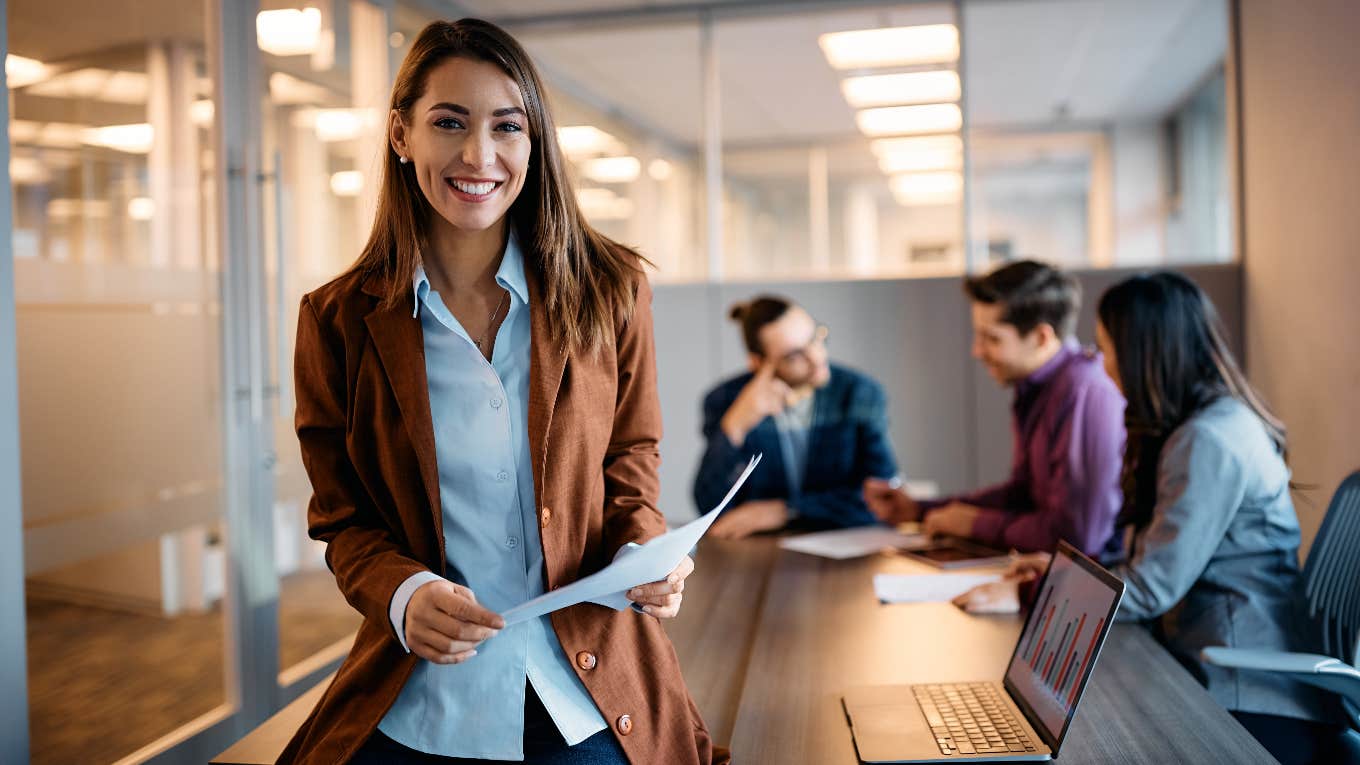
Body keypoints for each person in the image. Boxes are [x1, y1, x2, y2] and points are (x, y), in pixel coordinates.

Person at [281, 19, 725, 765]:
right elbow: (343, 517)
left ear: (533, 141)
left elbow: (630, 462)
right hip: (422, 699)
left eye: (506, 127)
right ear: (401, 134)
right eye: (448, 122)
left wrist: (646, 546)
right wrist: (400, 593)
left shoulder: (611, 290)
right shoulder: (337, 320)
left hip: (583, 686)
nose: (478, 155)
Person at [953, 272, 1349, 765]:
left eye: (1106, 347)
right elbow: (1151, 556)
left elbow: (1151, 586)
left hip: (1247, 688)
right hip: (1208, 659)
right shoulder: (1193, 427)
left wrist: (1033, 593)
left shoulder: (1210, 439)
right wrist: (1056, 574)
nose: (1100, 363)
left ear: (1143, 352)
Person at [863, 260, 1124, 558]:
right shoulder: (1036, 387)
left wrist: (976, 525)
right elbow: (1023, 495)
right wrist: (921, 510)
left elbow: (1079, 537)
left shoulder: (1084, 393)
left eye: (992, 338)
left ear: (1041, 337)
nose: (977, 350)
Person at [693, 296, 898, 539]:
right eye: (794, 356)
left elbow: (884, 499)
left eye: (815, 338)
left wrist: (785, 510)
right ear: (758, 363)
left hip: (843, 544)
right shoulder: (726, 400)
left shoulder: (859, 394)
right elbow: (708, 505)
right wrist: (735, 426)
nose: (817, 357)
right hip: (759, 551)